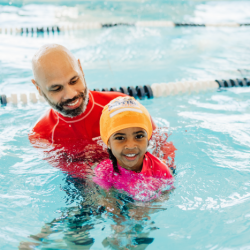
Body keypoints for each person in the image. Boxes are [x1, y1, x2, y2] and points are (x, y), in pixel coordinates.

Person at [29, 44, 157, 175]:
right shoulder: (42, 136)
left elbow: (160, 145)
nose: (70, 94)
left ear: (81, 69)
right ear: (38, 88)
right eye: (56, 89)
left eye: (74, 81)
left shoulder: (122, 107)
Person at [94, 96, 175, 202]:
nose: (131, 146)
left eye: (139, 136)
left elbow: (166, 196)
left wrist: (148, 207)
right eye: (120, 138)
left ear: (148, 138)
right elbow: (103, 198)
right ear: (108, 142)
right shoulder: (104, 171)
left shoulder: (161, 171)